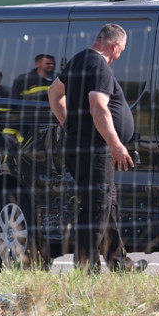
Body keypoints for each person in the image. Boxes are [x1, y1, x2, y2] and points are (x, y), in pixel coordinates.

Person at [48, 24, 146, 272]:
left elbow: (54, 92)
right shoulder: (99, 66)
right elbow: (98, 107)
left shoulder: (79, 59)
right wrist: (116, 144)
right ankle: (85, 268)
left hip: (79, 147)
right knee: (96, 209)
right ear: (114, 45)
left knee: (107, 205)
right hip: (95, 151)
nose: (119, 55)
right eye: (121, 50)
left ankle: (120, 264)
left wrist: (69, 124)